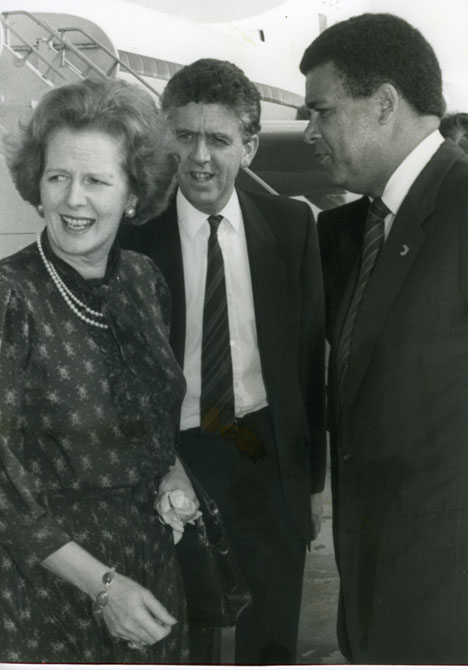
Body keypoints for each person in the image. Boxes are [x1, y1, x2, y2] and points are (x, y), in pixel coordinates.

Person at [119, 58, 326, 665]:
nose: (200, 157)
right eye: (184, 137)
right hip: (172, 453)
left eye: (219, 139)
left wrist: (310, 481)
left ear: (250, 147)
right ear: (163, 139)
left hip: (264, 450)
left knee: (271, 634)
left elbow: (307, 361)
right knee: (182, 630)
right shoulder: (133, 240)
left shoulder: (291, 227)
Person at [0, 77, 200, 663]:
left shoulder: (142, 281)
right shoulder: (10, 299)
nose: (73, 199)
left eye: (95, 180)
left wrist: (175, 474)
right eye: (57, 177)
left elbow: (154, 416)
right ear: (35, 186)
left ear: (134, 194)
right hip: (47, 592)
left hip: (150, 574)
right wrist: (102, 586)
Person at [300, 12, 468, 665]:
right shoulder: (354, 231)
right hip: (375, 590)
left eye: (321, 111)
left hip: (450, 602)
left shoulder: (467, 207)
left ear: (382, 105)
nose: (310, 132)